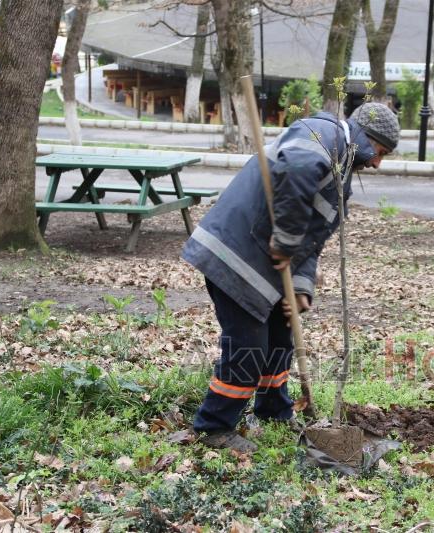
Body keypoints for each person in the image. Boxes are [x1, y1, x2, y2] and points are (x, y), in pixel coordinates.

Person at [180, 102, 400, 452]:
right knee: (249, 347)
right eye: (380, 151)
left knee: (281, 335)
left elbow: (312, 240)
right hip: (234, 252)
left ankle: (274, 409)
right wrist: (285, 240)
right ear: (363, 137)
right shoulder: (323, 135)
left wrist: (300, 288)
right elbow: (295, 170)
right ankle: (214, 427)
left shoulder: (340, 172)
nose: (377, 162)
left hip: (260, 261)